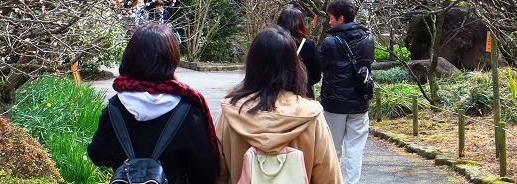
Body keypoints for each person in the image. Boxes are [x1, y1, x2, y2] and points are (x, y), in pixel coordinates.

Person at [87, 24, 218, 184]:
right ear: (172, 59)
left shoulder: (115, 107)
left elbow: (98, 155)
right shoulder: (189, 111)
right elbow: (204, 172)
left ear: (129, 58)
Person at [215, 27, 342, 184]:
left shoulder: (230, 113)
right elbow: (329, 178)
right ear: (293, 66)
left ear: (252, 64)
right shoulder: (310, 116)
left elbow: (217, 175)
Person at [319, 0, 374, 184]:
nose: (329, 21)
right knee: (355, 148)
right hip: (360, 100)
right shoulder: (368, 38)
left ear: (340, 18)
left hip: (335, 104)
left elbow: (322, 66)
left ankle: (334, 181)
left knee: (333, 148)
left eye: (331, 18)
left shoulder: (330, 42)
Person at [277, 6, 321, 98]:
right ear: (300, 24)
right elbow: (316, 74)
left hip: (275, 95)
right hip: (303, 94)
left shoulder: (271, 43)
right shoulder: (308, 45)